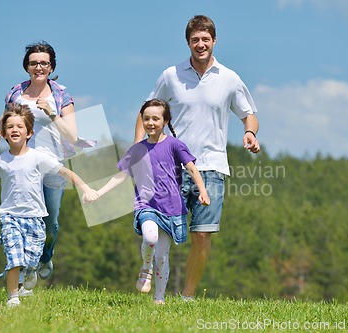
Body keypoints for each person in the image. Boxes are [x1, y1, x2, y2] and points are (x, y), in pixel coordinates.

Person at [134, 15, 261, 301]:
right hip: (171, 167)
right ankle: (158, 293)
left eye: (205, 39)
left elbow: (248, 114)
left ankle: (187, 297)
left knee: (202, 235)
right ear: (188, 43)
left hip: (212, 168)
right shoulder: (171, 76)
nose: (200, 44)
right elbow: (146, 111)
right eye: (195, 40)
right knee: (161, 233)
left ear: (214, 41)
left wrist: (250, 133)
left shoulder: (229, 78)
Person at [0, 103, 98, 307]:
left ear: (29, 133)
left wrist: (85, 188)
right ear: (4, 134)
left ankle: (29, 274)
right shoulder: (1, 161)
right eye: (10, 127)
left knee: (30, 261)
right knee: (14, 257)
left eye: (19, 127)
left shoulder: (38, 157)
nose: (14, 130)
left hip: (36, 218)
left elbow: (65, 172)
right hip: (10, 217)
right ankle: (13, 298)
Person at [85, 99, 210, 304]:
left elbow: (192, 169)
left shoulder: (175, 145)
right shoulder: (137, 150)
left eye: (155, 118)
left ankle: (159, 299)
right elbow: (121, 176)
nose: (150, 122)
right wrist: (99, 193)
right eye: (146, 118)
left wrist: (202, 191)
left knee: (162, 256)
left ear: (165, 120)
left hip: (171, 208)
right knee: (149, 238)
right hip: (146, 205)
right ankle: (145, 267)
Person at [0, 41, 86, 285]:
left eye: (43, 63)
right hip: (22, 165)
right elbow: (6, 120)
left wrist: (52, 113)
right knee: (23, 219)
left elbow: (72, 136)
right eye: (33, 63)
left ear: (51, 66)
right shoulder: (16, 93)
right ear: (27, 67)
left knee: (50, 222)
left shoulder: (62, 94)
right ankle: (27, 269)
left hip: (52, 164)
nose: (38, 67)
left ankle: (45, 257)